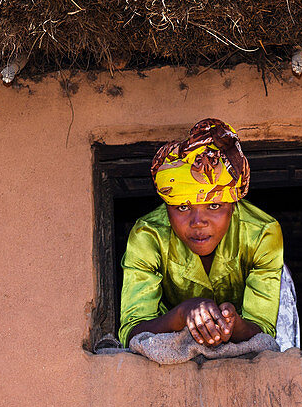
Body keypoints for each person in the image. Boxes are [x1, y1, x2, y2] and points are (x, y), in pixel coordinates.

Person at [118, 118, 288, 349]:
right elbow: (130, 332)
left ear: (233, 205)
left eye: (215, 206)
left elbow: (264, 330)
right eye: (182, 207)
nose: (198, 222)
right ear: (166, 206)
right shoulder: (148, 235)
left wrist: (234, 324)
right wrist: (183, 314)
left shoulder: (261, 233)